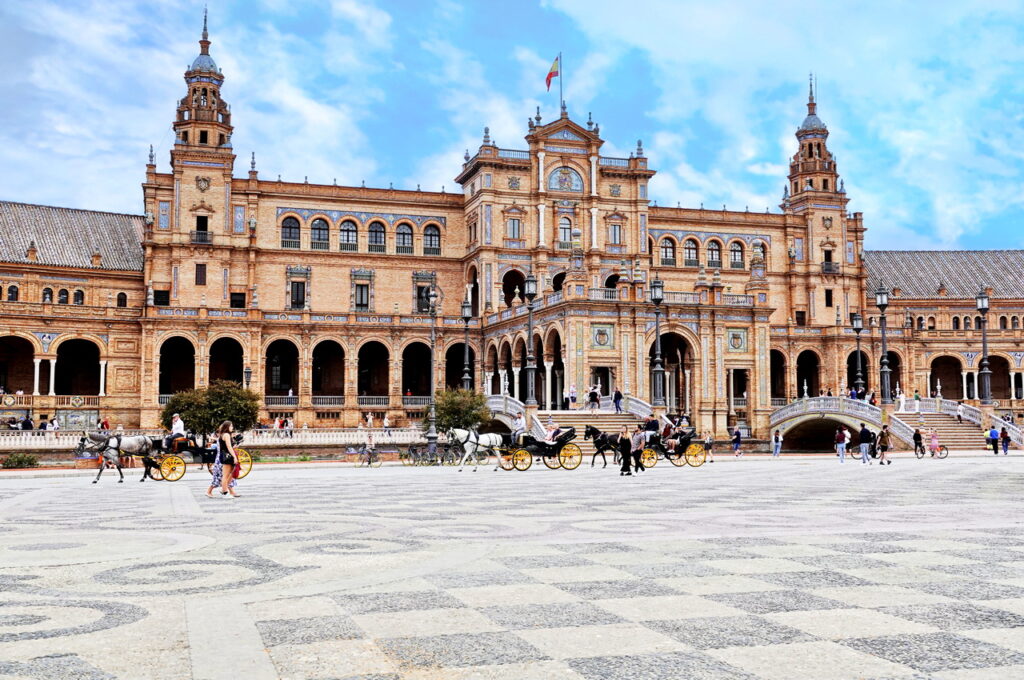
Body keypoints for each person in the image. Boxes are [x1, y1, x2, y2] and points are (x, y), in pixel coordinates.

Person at [207, 420, 240, 498]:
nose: (232, 427)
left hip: (224, 455)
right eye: (231, 426)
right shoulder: (227, 435)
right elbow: (228, 447)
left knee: (229, 475)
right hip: (226, 456)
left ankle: (225, 490)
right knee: (225, 476)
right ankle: (225, 492)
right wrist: (235, 457)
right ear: (227, 427)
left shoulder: (223, 435)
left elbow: (227, 446)